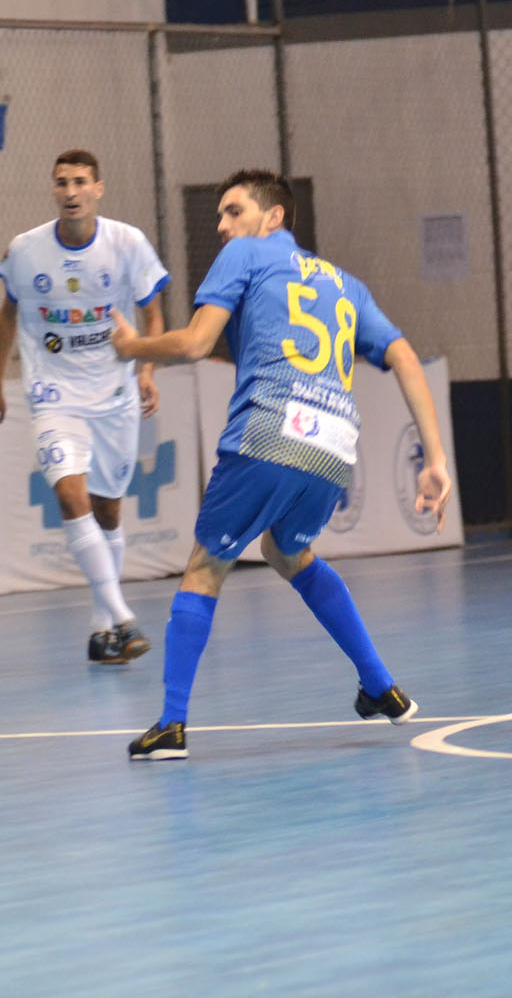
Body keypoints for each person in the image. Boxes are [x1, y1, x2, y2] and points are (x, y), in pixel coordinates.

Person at [110, 169, 451, 760]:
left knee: (204, 565)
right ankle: (381, 688)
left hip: (269, 430)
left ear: (273, 219)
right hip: (334, 444)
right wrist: (436, 458)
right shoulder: (346, 284)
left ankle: (171, 725)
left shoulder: (246, 255)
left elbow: (193, 343)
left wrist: (132, 348)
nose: (222, 226)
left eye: (233, 211)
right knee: (286, 552)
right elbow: (404, 357)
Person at [0, 149, 170, 665]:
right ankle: (123, 615)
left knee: (109, 509)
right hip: (52, 395)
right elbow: (6, 317)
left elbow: (154, 316)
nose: (70, 191)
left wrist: (147, 370)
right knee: (71, 496)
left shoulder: (127, 243)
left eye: (80, 182)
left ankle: (100, 627)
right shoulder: (25, 250)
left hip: (113, 397)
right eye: (61, 182)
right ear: (53, 189)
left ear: (98, 188)